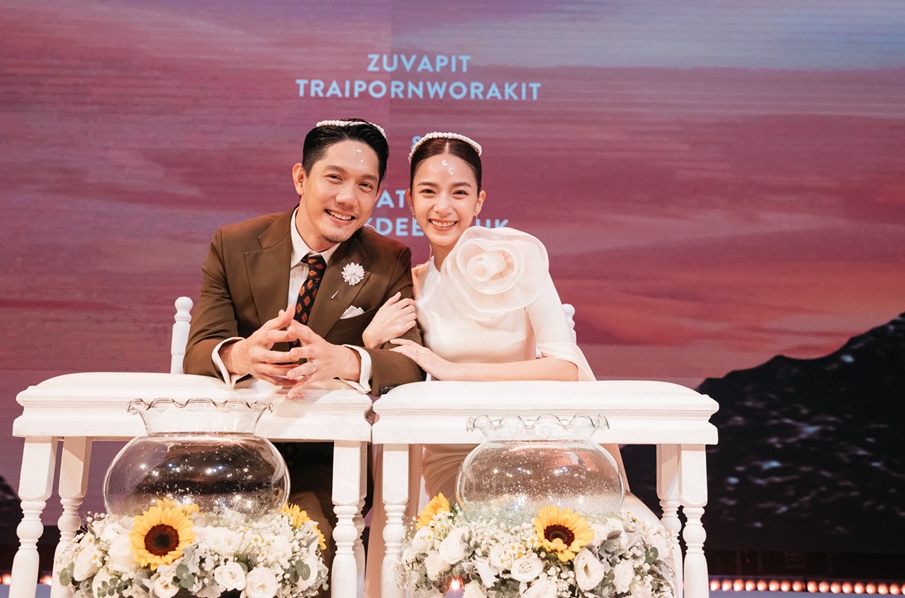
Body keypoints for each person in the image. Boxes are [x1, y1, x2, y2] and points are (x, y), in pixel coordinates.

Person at [366, 131, 661, 515]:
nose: (443, 207)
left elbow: (565, 368)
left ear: (479, 201)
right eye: (428, 192)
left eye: (459, 193)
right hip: (454, 451)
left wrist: (454, 371)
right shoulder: (414, 283)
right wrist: (371, 340)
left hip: (533, 440)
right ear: (409, 200)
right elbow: (398, 374)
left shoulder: (519, 261)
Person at [183, 118, 425, 565]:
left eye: (365, 185)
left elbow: (409, 365)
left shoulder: (388, 260)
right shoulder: (234, 245)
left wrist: (342, 360)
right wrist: (241, 355)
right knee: (167, 543)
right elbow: (199, 351)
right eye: (334, 178)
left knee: (303, 557)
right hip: (231, 448)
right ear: (301, 178)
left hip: (325, 461)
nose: (348, 198)